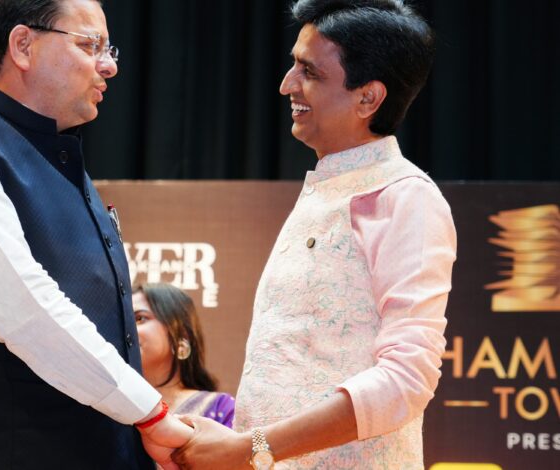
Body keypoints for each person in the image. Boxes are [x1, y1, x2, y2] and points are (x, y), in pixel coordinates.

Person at [0, 1, 191, 469]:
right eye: (91, 45)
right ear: (23, 46)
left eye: (109, 49)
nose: (109, 66)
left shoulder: (62, 159)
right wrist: (151, 412)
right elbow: (23, 308)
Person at [172, 1, 457, 469]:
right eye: (294, 65)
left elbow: (406, 380)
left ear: (368, 98)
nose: (287, 84)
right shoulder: (328, 187)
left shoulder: (404, 196)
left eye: (309, 72)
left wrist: (247, 448)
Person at [133, 284, 235, 427]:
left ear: (181, 334)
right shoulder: (109, 409)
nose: (127, 330)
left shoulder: (220, 408)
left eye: (139, 318)